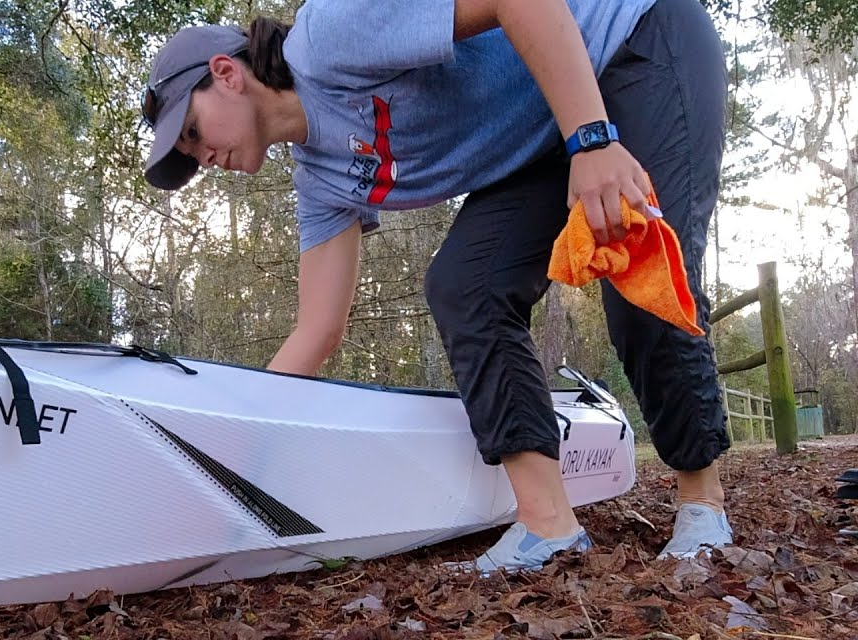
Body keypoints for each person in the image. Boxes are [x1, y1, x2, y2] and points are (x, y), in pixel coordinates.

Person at [139, 0, 734, 573]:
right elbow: (317, 330)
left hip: (632, 43)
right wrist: (233, 458)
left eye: (192, 132)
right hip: (545, 134)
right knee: (464, 285)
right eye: (188, 155)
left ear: (226, 74)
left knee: (637, 267)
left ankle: (702, 505)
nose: (201, 158)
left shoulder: (331, 36)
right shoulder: (319, 182)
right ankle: (548, 524)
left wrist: (592, 140)